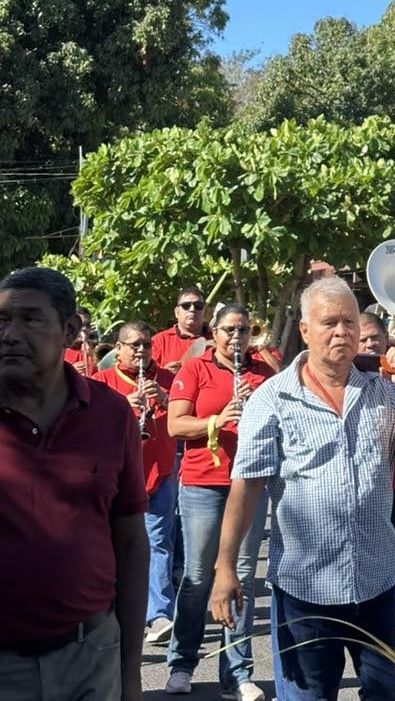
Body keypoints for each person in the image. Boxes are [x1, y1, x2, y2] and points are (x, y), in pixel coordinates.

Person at [210, 278, 395, 701]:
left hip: (377, 583)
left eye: (349, 321)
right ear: (305, 330)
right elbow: (247, 486)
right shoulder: (272, 399)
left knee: (390, 695)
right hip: (305, 589)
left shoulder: (383, 391)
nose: (341, 332)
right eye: (329, 322)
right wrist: (225, 567)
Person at [0, 266, 148, 701]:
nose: (9, 334)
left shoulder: (111, 413)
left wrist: (131, 674)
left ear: (69, 330)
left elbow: (131, 544)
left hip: (91, 656)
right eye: (1, 321)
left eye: (29, 319)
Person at [165, 302, 275, 699]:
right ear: (214, 332)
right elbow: (176, 424)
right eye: (230, 329)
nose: (237, 337)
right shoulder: (197, 369)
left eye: (244, 330)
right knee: (197, 578)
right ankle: (181, 665)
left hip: (249, 483)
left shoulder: (262, 373)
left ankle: (237, 673)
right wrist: (218, 418)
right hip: (203, 483)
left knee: (241, 577)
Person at [94, 320, 178, 645]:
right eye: (134, 345)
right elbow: (85, 431)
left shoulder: (167, 380)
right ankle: (109, 611)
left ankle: (159, 615)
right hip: (114, 478)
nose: (141, 351)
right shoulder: (101, 383)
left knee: (158, 544)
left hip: (157, 475)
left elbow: (186, 419)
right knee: (114, 546)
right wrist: (121, 410)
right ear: (119, 348)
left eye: (146, 344)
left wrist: (167, 399)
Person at [355, 309, 395, 534]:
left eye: (375, 338)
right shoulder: (346, 375)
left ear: (386, 338)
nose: (370, 344)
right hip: (360, 479)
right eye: (363, 340)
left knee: (388, 540)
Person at [152, 286, 212, 374]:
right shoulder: (159, 341)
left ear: (205, 312)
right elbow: (147, 374)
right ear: (177, 312)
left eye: (198, 306)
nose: (192, 309)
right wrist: (164, 374)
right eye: (186, 306)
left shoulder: (218, 338)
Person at [63, 306, 98, 376]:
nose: (84, 328)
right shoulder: (59, 351)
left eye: (87, 325)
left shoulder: (95, 349)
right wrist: (70, 371)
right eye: (80, 325)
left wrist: (93, 355)